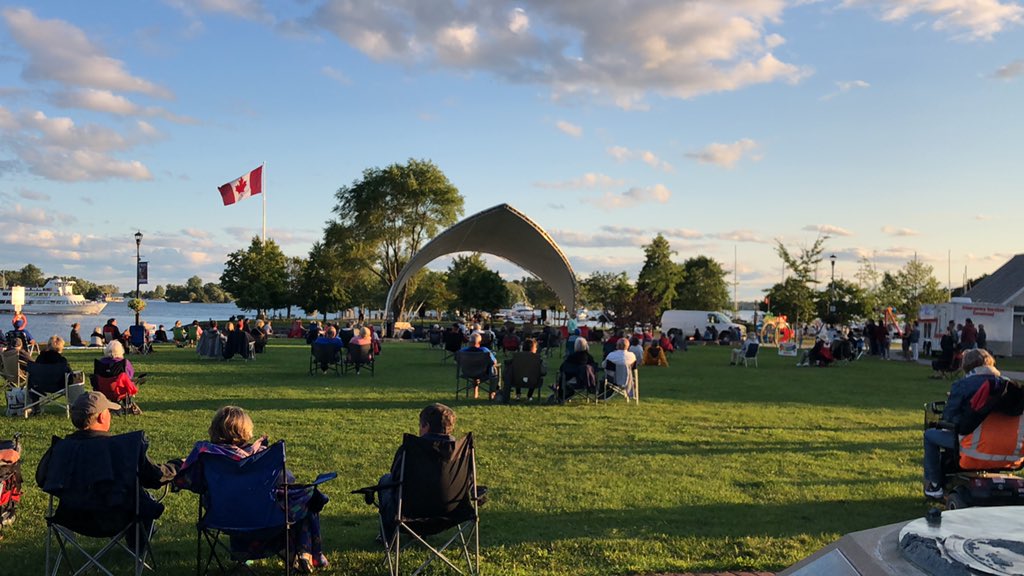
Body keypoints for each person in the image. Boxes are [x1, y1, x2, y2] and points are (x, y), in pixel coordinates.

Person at [175, 407, 330, 572]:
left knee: (298, 499)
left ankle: (247, 554)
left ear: (214, 429)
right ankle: (304, 554)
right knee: (308, 498)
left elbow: (186, 481)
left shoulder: (206, 455)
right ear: (245, 430)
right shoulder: (262, 457)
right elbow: (287, 480)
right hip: (264, 519)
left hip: (221, 517)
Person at [35, 392, 181, 544]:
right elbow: (154, 477)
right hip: (118, 518)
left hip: (71, 518)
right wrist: (177, 466)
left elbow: (42, 478)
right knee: (143, 498)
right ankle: (136, 547)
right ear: (102, 417)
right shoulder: (122, 448)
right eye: (109, 412)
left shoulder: (60, 448)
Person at [922, 349, 1003, 498]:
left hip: (973, 442)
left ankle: (934, 484)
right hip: (1005, 445)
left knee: (929, 435)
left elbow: (948, 416)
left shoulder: (964, 384)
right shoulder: (1008, 385)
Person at [377, 404, 456, 543]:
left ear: (426, 426)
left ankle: (387, 537)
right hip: (450, 514)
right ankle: (417, 534)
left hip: (410, 515)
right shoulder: (460, 451)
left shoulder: (410, 449)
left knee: (386, 480)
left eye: (420, 425)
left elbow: (396, 478)